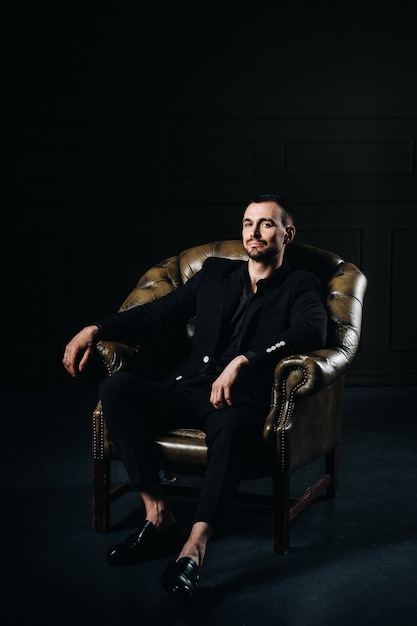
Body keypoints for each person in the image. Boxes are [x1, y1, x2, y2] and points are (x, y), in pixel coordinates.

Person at [62, 194, 327, 604]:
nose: (253, 233)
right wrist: (94, 328)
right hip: (188, 387)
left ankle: (193, 549)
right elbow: (155, 315)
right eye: (247, 223)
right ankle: (158, 514)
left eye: (266, 224)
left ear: (288, 233)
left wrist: (245, 359)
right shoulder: (216, 273)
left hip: (240, 401)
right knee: (117, 388)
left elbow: (311, 330)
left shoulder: (301, 283)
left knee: (233, 431)